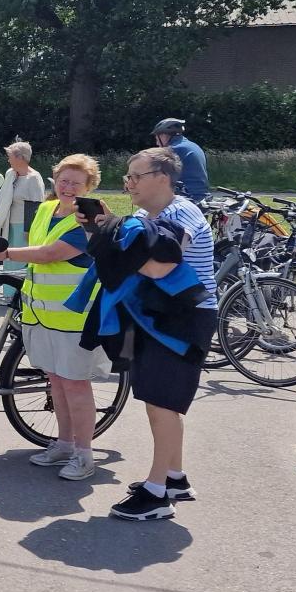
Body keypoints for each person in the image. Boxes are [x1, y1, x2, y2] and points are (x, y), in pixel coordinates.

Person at [76, 147, 218, 521]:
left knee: (162, 404)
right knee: (160, 401)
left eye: (136, 176)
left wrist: (112, 235)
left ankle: (156, 494)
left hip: (183, 318)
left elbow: (158, 268)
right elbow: (128, 254)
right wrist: (105, 228)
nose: (129, 183)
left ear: (163, 176)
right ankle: (174, 477)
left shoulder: (180, 213)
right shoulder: (143, 215)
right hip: (157, 316)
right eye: (127, 176)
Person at [0, 154, 109, 480]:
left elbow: (51, 254)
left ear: (89, 187)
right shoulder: (46, 210)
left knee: (76, 387)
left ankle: (84, 454)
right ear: (54, 180)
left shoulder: (86, 222)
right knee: (57, 385)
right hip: (41, 313)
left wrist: (3, 255)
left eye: (77, 183)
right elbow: (38, 256)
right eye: (63, 180)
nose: (68, 187)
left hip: (74, 319)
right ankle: (64, 444)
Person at [0, 139, 47, 295]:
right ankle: (8, 294)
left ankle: (19, 294)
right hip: (9, 223)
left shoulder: (33, 178)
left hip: (23, 226)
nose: (8, 160)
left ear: (20, 157)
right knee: (8, 259)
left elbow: (35, 206)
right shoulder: (11, 174)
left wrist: (29, 230)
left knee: (20, 259)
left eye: (10, 156)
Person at [151, 118, 209, 203]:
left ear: (164, 135)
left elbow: (157, 174)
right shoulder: (192, 145)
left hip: (187, 197)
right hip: (201, 195)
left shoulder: (173, 150)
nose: (157, 143)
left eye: (157, 139)